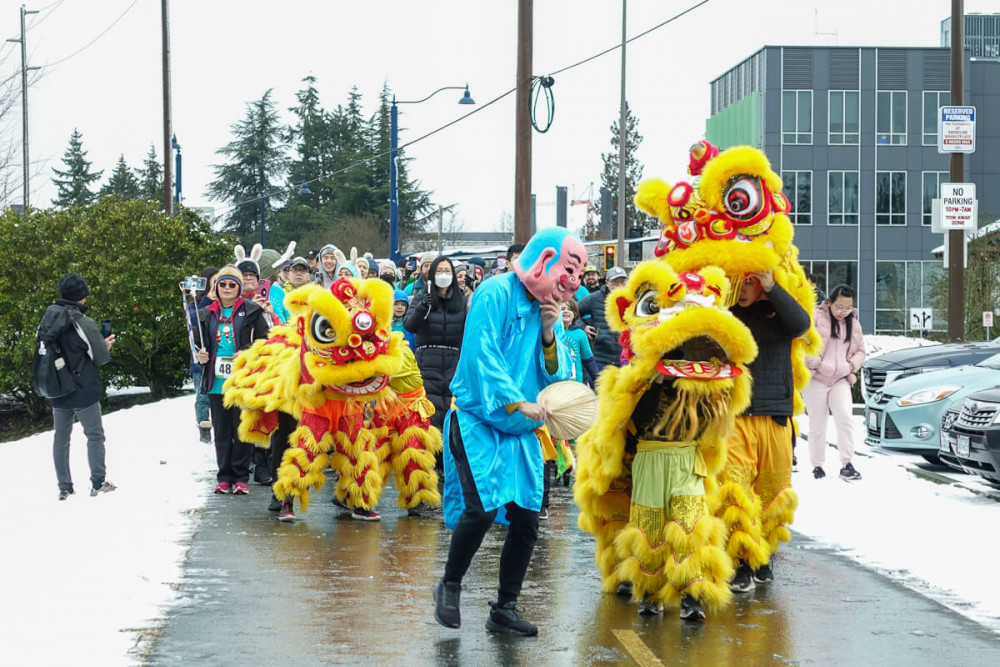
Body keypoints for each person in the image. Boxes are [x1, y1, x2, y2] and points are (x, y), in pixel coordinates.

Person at [433, 227, 583, 637]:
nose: (570, 282)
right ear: (545, 259)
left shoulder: (545, 308)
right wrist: (516, 400)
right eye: (567, 269)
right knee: (480, 511)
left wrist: (551, 333)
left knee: (527, 518)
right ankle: (449, 584)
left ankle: (505, 607)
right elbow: (482, 355)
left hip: (521, 430)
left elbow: (560, 375)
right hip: (479, 419)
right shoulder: (494, 292)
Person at [720, 270, 811, 593]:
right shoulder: (724, 312)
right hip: (737, 415)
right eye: (739, 281)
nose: (743, 289)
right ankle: (740, 561)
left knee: (772, 490)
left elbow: (802, 324)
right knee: (736, 490)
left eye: (751, 281)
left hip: (775, 412)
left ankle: (763, 556)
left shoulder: (780, 307)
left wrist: (772, 286)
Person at [196, 265, 270, 495]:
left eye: (232, 285)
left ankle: (240, 476)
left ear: (239, 289)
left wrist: (247, 352)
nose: (227, 289)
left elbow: (265, 342)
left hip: (241, 382)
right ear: (216, 288)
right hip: (217, 382)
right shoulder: (206, 314)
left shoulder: (251, 311)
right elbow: (197, 344)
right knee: (221, 431)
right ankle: (223, 476)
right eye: (223, 285)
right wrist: (201, 355)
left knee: (241, 429)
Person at [45, 273, 117, 500]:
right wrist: (105, 345)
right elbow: (100, 357)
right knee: (94, 435)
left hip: (57, 386)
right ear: (82, 296)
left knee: (61, 437)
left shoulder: (48, 318)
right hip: (83, 387)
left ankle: (64, 487)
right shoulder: (84, 322)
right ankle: (98, 482)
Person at [404, 255, 467, 445]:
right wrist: (423, 306)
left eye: (447, 271)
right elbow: (409, 325)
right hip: (427, 361)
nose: (443, 275)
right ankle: (431, 460)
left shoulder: (462, 301)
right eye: (439, 271)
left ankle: (448, 462)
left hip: (454, 363)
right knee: (430, 412)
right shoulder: (422, 298)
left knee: (451, 410)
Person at [804, 284, 864, 482]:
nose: (842, 312)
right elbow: (801, 343)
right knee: (817, 423)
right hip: (817, 379)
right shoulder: (816, 318)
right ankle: (817, 466)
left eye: (847, 308)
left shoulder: (853, 324)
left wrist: (850, 365)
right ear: (829, 302)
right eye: (839, 307)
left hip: (840, 379)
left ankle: (847, 464)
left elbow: (861, 351)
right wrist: (812, 361)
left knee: (845, 418)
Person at [187, 266, 218, 443]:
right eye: (214, 283)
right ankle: (204, 427)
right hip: (201, 357)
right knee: (202, 393)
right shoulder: (196, 302)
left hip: (218, 356)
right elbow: (194, 320)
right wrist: (206, 300)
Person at [578, 266, 629, 373]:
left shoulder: (632, 300)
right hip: (600, 357)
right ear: (607, 283)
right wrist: (582, 327)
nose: (619, 286)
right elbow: (572, 311)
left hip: (625, 359)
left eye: (622, 282)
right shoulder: (595, 298)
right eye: (615, 282)